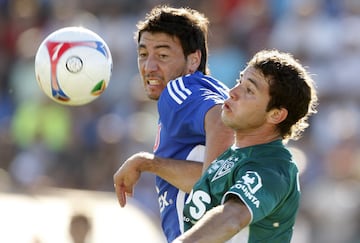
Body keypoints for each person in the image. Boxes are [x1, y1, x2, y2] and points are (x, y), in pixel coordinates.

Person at [113, 5, 234, 242]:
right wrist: (148, 164)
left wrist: (148, 163)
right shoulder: (215, 89)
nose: (149, 67)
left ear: (193, 60)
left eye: (163, 55)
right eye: (143, 54)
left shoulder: (178, 90)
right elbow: (205, 178)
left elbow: (222, 121)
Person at [171, 49, 318, 242]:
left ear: (275, 115)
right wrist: (147, 164)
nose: (232, 92)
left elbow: (232, 218)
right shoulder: (234, 155)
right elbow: (203, 189)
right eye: (240, 81)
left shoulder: (272, 166)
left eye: (249, 90)